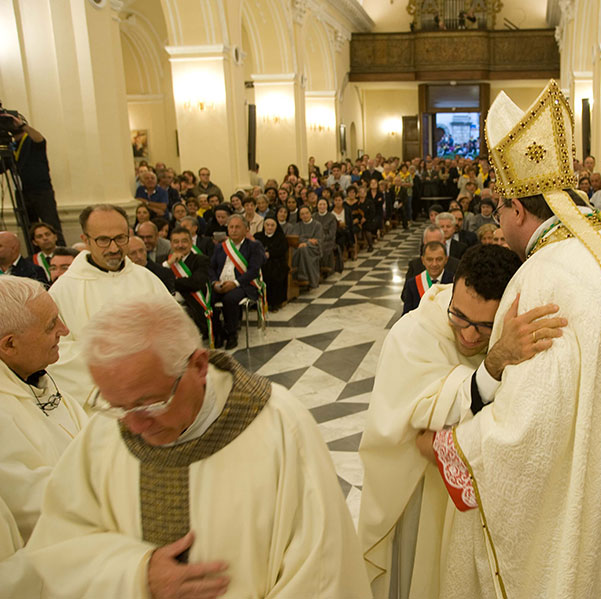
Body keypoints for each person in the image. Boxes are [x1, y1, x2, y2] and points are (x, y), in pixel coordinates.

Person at [416, 80, 601, 597]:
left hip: (577, 490)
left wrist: (456, 446)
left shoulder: (546, 273)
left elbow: (531, 422)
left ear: (518, 209)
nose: (500, 223)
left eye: (500, 211)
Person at [24, 297, 371, 598]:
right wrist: (134, 575)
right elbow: (58, 546)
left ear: (199, 366)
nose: (134, 424)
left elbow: (321, 571)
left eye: (150, 404)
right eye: (116, 405)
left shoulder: (279, 426)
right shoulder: (104, 433)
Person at [360, 244, 565, 599]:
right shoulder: (414, 333)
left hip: (477, 503)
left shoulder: (514, 333)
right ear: (452, 292)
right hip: (417, 493)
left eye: (485, 326)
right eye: (460, 317)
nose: (469, 336)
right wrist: (493, 361)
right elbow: (430, 419)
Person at [48, 205, 176, 408]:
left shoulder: (146, 279)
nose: (114, 248)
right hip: (103, 405)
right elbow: (55, 352)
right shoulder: (64, 291)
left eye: (120, 238)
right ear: (86, 240)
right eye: (103, 240)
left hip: (156, 397)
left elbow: (176, 331)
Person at [0, 276, 88, 543]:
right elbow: (31, 507)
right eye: (51, 325)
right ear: (9, 345)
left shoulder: (34, 377)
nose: (64, 329)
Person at [209, 215, 266, 350]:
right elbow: (211, 268)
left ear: (246, 229)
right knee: (209, 299)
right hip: (221, 283)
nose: (233, 230)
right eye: (231, 227)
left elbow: (253, 271)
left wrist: (235, 283)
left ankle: (231, 334)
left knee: (230, 299)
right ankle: (217, 332)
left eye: (237, 227)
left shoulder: (254, 246)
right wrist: (214, 283)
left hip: (244, 284)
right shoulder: (220, 247)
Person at [8, 112, 65, 242]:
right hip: (22, 193)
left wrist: (22, 125)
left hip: (41, 191)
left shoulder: (31, 141)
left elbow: (40, 139)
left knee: (51, 225)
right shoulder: (11, 147)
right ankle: (35, 256)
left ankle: (61, 253)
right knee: (29, 229)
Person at [165, 227, 214, 343]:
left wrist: (172, 281)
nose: (180, 245)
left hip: (191, 304)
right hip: (167, 303)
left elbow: (195, 283)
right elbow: (157, 281)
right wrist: (168, 264)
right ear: (171, 244)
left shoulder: (201, 260)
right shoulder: (165, 260)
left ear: (191, 243)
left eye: (184, 241)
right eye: (176, 242)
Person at [401, 242, 455, 314]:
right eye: (429, 260)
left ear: (446, 260)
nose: (434, 264)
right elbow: (406, 315)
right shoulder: (412, 284)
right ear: (423, 260)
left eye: (439, 259)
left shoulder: (454, 282)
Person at [257, 217, 288, 311]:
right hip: (261, 262)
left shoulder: (280, 237)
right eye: (267, 225)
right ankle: (259, 302)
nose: (269, 227)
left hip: (277, 262)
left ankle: (274, 303)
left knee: (275, 272)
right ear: (264, 225)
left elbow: (282, 250)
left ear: (276, 226)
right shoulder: (258, 236)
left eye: (272, 225)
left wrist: (270, 253)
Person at [291, 206, 323, 290]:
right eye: (302, 214)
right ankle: (302, 277)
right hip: (299, 248)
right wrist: (308, 240)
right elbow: (296, 239)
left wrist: (306, 243)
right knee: (301, 250)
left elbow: (318, 240)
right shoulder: (297, 226)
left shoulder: (317, 225)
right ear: (300, 216)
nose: (305, 215)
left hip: (314, 249)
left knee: (303, 250)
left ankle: (304, 277)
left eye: (307, 213)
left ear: (310, 213)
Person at [313, 198, 338, 273]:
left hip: (328, 240)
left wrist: (321, 238)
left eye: (324, 204)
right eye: (320, 204)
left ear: (327, 206)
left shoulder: (332, 217)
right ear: (317, 205)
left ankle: (322, 269)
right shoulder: (313, 216)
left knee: (322, 247)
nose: (322, 206)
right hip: (315, 240)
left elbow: (331, 234)